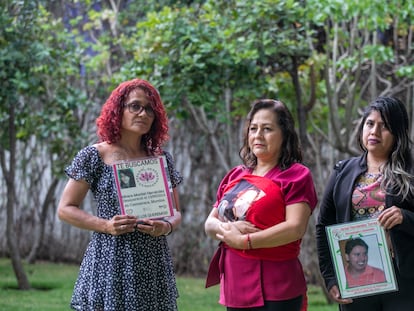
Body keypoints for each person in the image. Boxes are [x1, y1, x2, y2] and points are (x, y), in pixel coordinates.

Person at [57, 78, 183, 311]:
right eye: (135, 106)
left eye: (149, 109)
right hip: (109, 260)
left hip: (152, 262)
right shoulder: (93, 156)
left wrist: (166, 227)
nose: (143, 113)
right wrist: (106, 225)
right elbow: (65, 209)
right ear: (118, 110)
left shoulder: (161, 159)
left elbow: (175, 212)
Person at [204, 99, 318, 311]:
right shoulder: (236, 175)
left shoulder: (296, 175)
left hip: (277, 285)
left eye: (267, 129)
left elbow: (295, 228)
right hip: (235, 282)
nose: (258, 135)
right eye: (253, 128)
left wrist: (245, 241)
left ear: (284, 134)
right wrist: (229, 230)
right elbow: (210, 223)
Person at [316, 96, 414, 310]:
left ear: (398, 132)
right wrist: (331, 278)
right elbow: (324, 226)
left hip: (405, 282)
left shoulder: (410, 172)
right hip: (357, 282)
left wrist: (405, 217)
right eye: (370, 124)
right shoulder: (343, 171)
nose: (374, 132)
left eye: (385, 126)